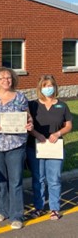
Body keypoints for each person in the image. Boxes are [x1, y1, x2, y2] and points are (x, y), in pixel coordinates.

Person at [0, 67, 33, 230]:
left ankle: (17, 214)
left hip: (16, 144)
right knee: (1, 180)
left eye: (9, 78)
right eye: (2, 78)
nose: (6, 80)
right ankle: (2, 210)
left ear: (13, 80)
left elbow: (28, 116)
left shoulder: (20, 97)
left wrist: (29, 124)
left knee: (15, 180)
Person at [26, 75, 73, 220]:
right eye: (45, 85)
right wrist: (36, 134)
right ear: (40, 88)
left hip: (54, 148)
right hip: (36, 146)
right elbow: (27, 124)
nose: (48, 88)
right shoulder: (32, 105)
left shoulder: (62, 105)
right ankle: (39, 207)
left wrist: (58, 133)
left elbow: (69, 125)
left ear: (55, 87)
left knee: (54, 179)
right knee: (38, 179)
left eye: (50, 85)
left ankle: (54, 208)